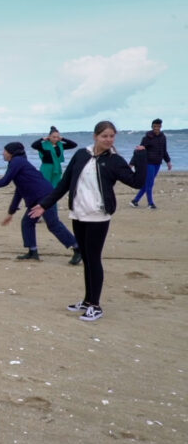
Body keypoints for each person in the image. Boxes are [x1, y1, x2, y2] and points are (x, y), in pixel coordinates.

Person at [30, 121, 146, 322]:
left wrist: (141, 157)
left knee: (93, 259)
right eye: (105, 136)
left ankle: (96, 305)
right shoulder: (81, 155)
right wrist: (44, 205)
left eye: (112, 136)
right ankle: (87, 300)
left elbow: (137, 182)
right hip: (79, 214)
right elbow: (64, 184)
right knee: (86, 258)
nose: (108, 140)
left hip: (98, 216)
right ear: (95, 136)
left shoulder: (114, 161)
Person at [0, 142, 80, 264]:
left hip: (45, 196)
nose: (3, 153)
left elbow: (5, 181)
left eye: (5, 151)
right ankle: (33, 252)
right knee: (27, 222)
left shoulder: (17, 161)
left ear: (11, 153)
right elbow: (19, 191)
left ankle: (77, 248)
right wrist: (11, 212)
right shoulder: (17, 163)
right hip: (36, 198)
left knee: (53, 224)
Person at [131, 118, 173, 209]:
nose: (156, 128)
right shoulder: (147, 138)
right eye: (154, 126)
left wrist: (168, 162)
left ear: (160, 126)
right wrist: (132, 163)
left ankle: (135, 201)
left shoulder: (163, 137)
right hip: (148, 163)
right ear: (152, 127)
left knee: (147, 184)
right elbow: (139, 151)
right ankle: (150, 203)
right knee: (150, 183)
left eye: (158, 126)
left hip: (157, 163)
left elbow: (164, 151)